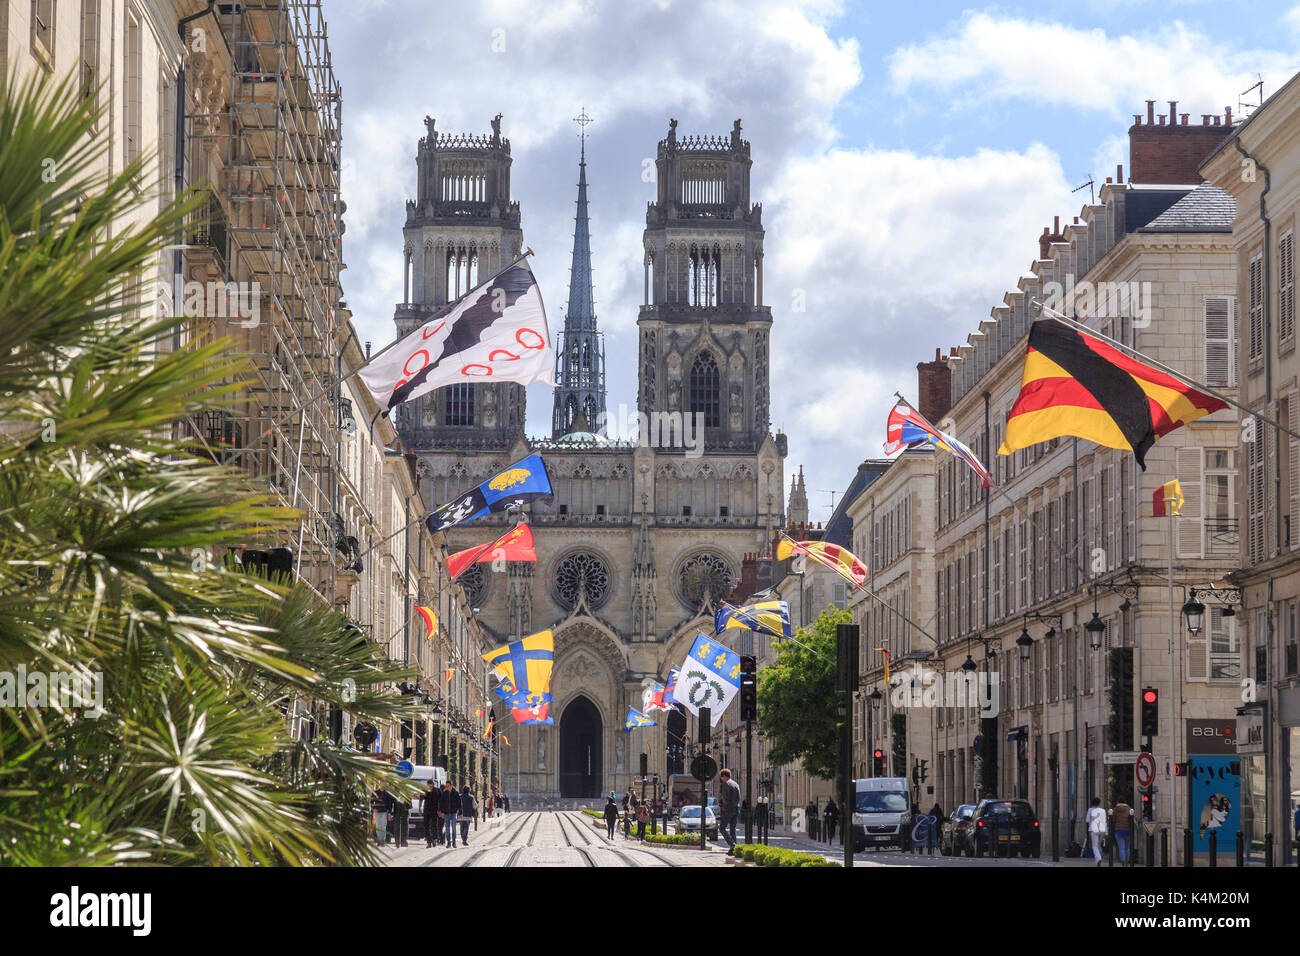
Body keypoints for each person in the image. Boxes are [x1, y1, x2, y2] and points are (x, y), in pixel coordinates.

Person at [719, 768, 741, 847]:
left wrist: (724, 808)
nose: (721, 779)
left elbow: (725, 798)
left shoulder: (726, 784)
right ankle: (734, 849)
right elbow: (739, 797)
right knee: (733, 829)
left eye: (721, 777)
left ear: (724, 776)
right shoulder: (736, 784)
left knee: (722, 828)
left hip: (728, 809)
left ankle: (732, 845)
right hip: (736, 809)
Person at [1086, 797, 1108, 866]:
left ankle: (1098, 858)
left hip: (1093, 829)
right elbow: (1105, 821)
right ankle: (1097, 862)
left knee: (1094, 846)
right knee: (1099, 845)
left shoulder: (1090, 810)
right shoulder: (1103, 810)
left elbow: (1087, 820)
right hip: (1101, 829)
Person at [1110, 799, 1133, 864]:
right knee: (1127, 847)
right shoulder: (1129, 809)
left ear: (1117, 802)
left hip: (1118, 830)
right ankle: (1127, 861)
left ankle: (1123, 862)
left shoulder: (1115, 809)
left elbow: (1113, 819)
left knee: (1121, 848)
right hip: (1127, 830)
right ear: (1125, 802)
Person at [439, 781, 460, 847]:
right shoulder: (444, 793)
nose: (447, 787)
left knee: (454, 827)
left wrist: (460, 812)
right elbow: (441, 803)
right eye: (446, 786)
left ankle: (454, 842)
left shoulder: (455, 793)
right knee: (447, 828)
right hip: (446, 813)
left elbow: (459, 803)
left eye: (448, 785)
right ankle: (448, 842)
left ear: (451, 785)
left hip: (454, 812)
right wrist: (441, 812)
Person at [422, 779, 440, 848]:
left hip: (434, 810)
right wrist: (420, 808)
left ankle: (434, 839)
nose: (430, 786)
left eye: (431, 784)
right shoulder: (425, 790)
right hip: (426, 810)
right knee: (426, 826)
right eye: (428, 784)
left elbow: (440, 800)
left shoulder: (437, 791)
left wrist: (440, 810)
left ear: (433, 784)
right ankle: (429, 841)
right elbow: (421, 799)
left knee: (434, 825)